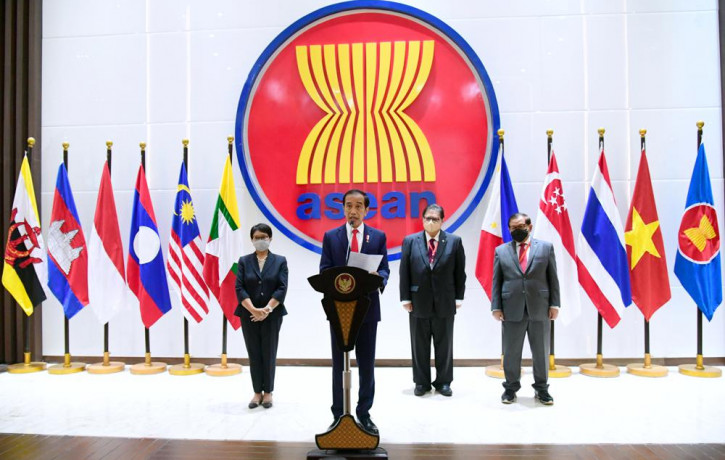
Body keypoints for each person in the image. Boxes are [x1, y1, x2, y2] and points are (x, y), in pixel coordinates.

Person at [320, 189, 389, 435]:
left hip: (367, 310)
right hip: (340, 311)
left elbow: (385, 271)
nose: (353, 211)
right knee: (339, 364)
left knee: (367, 364)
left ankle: (364, 413)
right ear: (343, 209)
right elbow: (324, 269)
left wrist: (376, 278)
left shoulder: (378, 236)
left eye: (359, 206)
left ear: (366, 210)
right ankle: (338, 414)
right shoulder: (331, 237)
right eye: (349, 206)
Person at [491, 212, 559, 405]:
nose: (517, 230)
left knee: (541, 352)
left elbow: (553, 278)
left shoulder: (545, 248)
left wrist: (555, 304)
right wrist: (496, 306)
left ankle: (542, 389)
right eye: (513, 227)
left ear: (529, 227)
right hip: (511, 309)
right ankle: (510, 389)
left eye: (520, 226)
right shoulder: (501, 251)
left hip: (540, 308)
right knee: (511, 352)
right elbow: (497, 281)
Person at [399, 204, 466, 397]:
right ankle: (421, 382)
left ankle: (444, 382)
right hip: (418, 301)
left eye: (435, 219)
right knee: (419, 344)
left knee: (444, 344)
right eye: (427, 218)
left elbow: (459, 272)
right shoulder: (411, 241)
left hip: (446, 301)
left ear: (442, 221)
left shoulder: (454, 241)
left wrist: (458, 297)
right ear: (422, 219)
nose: (430, 222)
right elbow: (405, 272)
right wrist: (405, 298)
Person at [235, 223, 288, 409]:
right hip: (248, 314)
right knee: (254, 352)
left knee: (269, 352)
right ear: (251, 240)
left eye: (263, 237)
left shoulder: (280, 261)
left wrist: (266, 310)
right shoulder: (243, 261)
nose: (260, 241)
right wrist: (254, 310)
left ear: (270, 238)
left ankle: (268, 393)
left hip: (272, 315)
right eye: (256, 238)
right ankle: (257, 392)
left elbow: (282, 288)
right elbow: (239, 288)